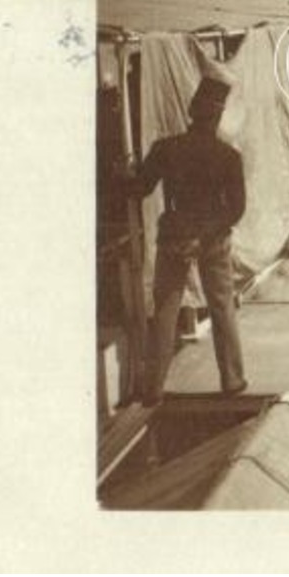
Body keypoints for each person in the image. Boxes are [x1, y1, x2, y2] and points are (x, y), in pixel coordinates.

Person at [125, 76, 247, 404]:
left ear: (191, 111)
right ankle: (232, 382)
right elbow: (236, 209)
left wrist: (124, 173)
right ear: (218, 117)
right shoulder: (229, 157)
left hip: (174, 236)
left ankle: (153, 390)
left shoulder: (166, 149)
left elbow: (139, 188)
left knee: (166, 311)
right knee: (222, 307)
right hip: (212, 239)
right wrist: (205, 235)